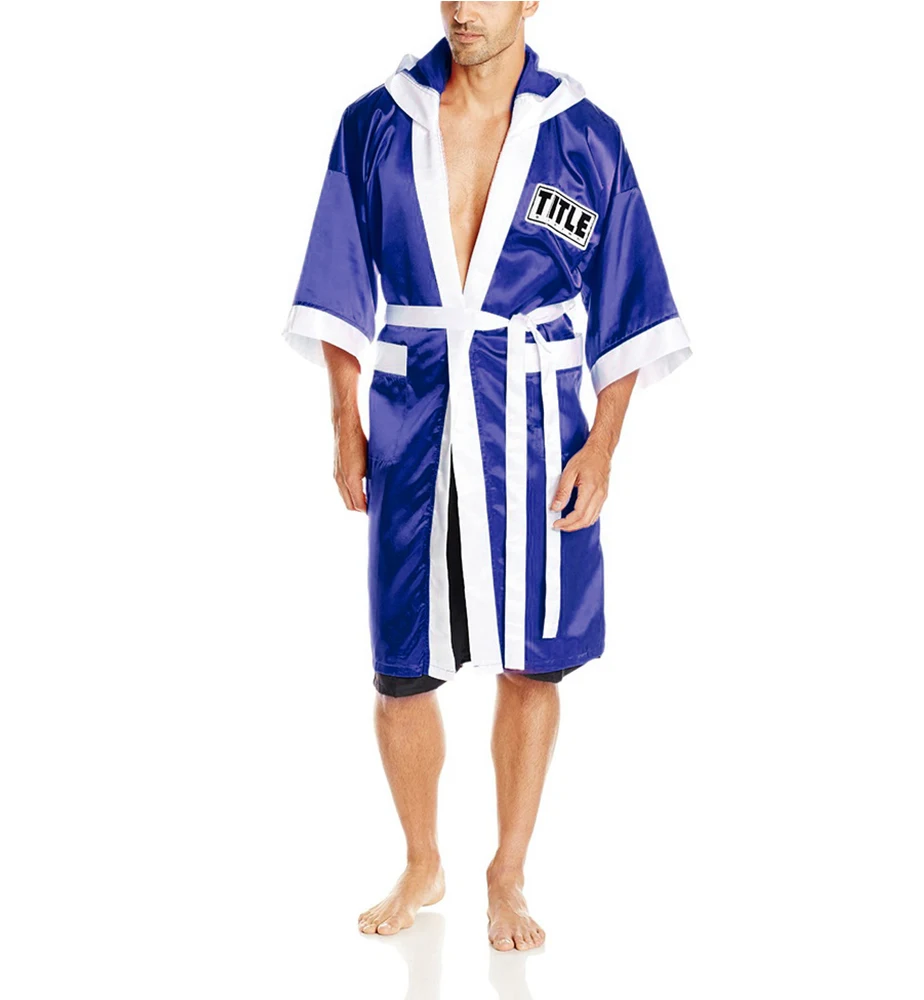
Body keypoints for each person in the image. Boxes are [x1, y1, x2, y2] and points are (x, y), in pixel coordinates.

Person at [280, 2, 692, 951]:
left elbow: (631, 298)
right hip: (413, 414)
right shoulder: (376, 122)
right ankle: (422, 859)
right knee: (401, 663)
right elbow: (338, 283)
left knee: (533, 653)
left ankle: (507, 870)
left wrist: (603, 446)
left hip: (537, 423)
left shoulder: (584, 137)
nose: (463, 7)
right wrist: (343, 423)